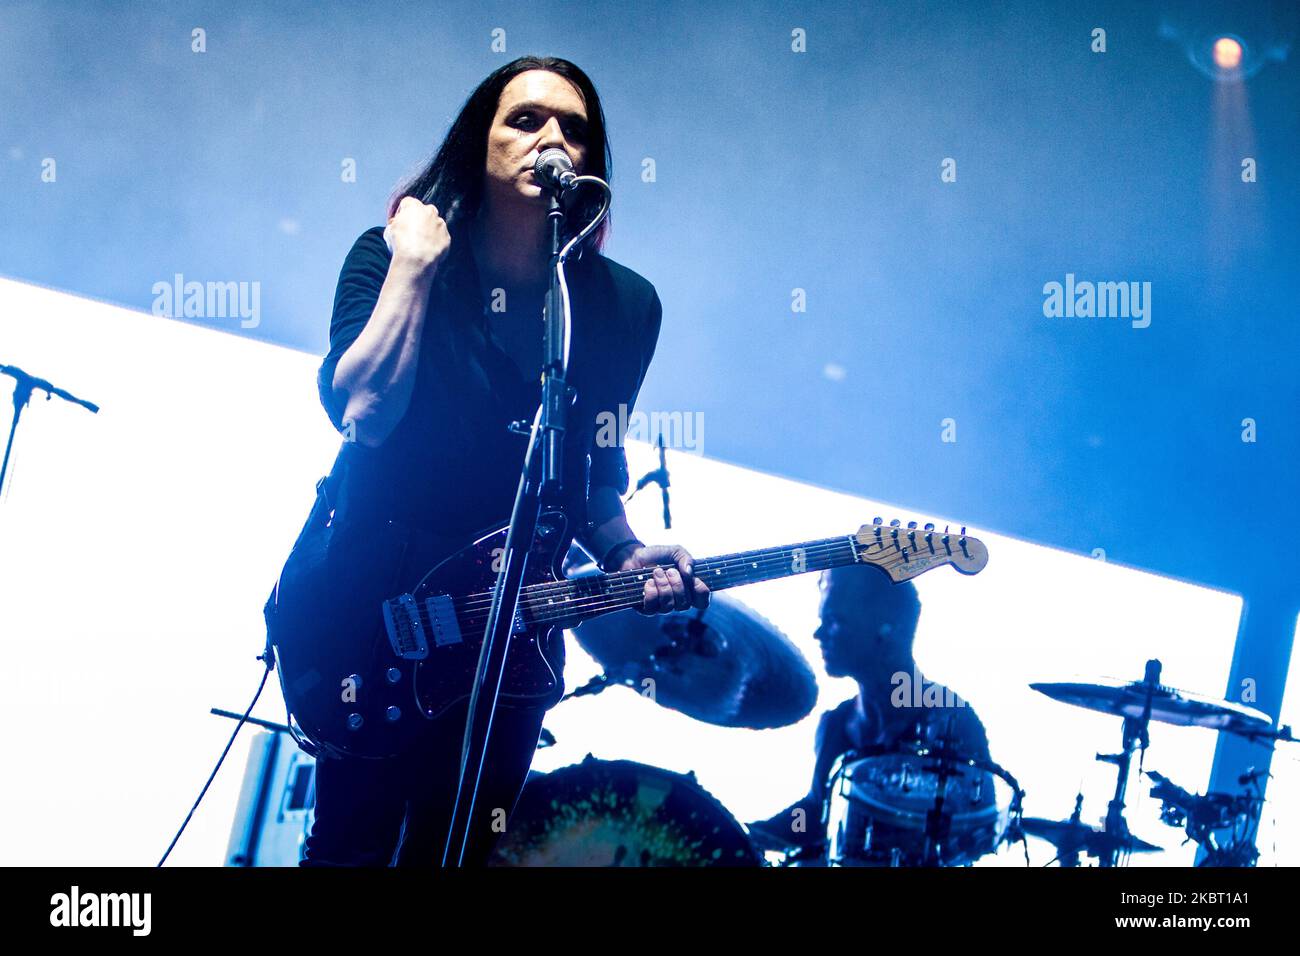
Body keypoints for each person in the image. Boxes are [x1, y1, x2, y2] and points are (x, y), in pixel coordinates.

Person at [301, 55, 708, 867]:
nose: (551, 138)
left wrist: (628, 551)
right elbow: (364, 412)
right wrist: (414, 265)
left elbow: (593, 474)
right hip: (375, 612)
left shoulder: (623, 308)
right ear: (474, 145)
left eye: (575, 129)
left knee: (464, 854)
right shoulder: (391, 256)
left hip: (515, 630)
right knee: (351, 848)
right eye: (525, 120)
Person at [748, 564, 989, 857]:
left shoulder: (952, 718)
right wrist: (752, 835)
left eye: (835, 620)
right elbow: (815, 813)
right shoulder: (836, 723)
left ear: (886, 626)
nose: (819, 632)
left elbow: (982, 828)